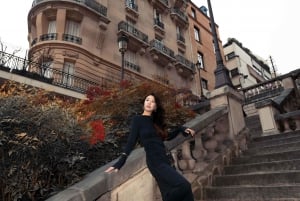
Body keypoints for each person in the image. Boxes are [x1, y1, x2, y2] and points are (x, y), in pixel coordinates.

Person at [105, 93, 195, 201]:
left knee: (175, 192)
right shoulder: (137, 120)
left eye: (152, 102)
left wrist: (181, 129)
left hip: (165, 159)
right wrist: (121, 162)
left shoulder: (155, 123)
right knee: (184, 186)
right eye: (147, 100)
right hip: (154, 161)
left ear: (155, 107)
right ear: (144, 103)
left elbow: (167, 137)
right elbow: (131, 141)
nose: (149, 103)